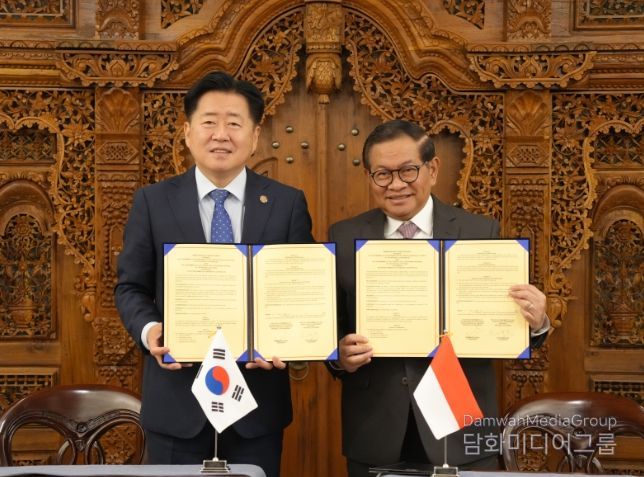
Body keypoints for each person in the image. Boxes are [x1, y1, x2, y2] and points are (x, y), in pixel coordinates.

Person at [115, 71, 313, 477]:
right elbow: (131, 286)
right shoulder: (152, 202)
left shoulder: (287, 204)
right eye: (209, 122)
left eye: (234, 123)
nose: (221, 135)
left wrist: (287, 343)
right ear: (188, 132)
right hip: (177, 405)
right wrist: (151, 331)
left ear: (254, 136)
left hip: (256, 408)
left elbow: (301, 291)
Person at [328, 119, 549, 477]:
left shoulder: (479, 231)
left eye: (408, 171)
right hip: (376, 427)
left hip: (460, 423)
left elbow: (510, 325)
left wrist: (537, 322)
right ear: (369, 177)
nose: (395, 184)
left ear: (432, 169)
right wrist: (340, 356)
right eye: (382, 174)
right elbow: (331, 328)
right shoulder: (344, 236)